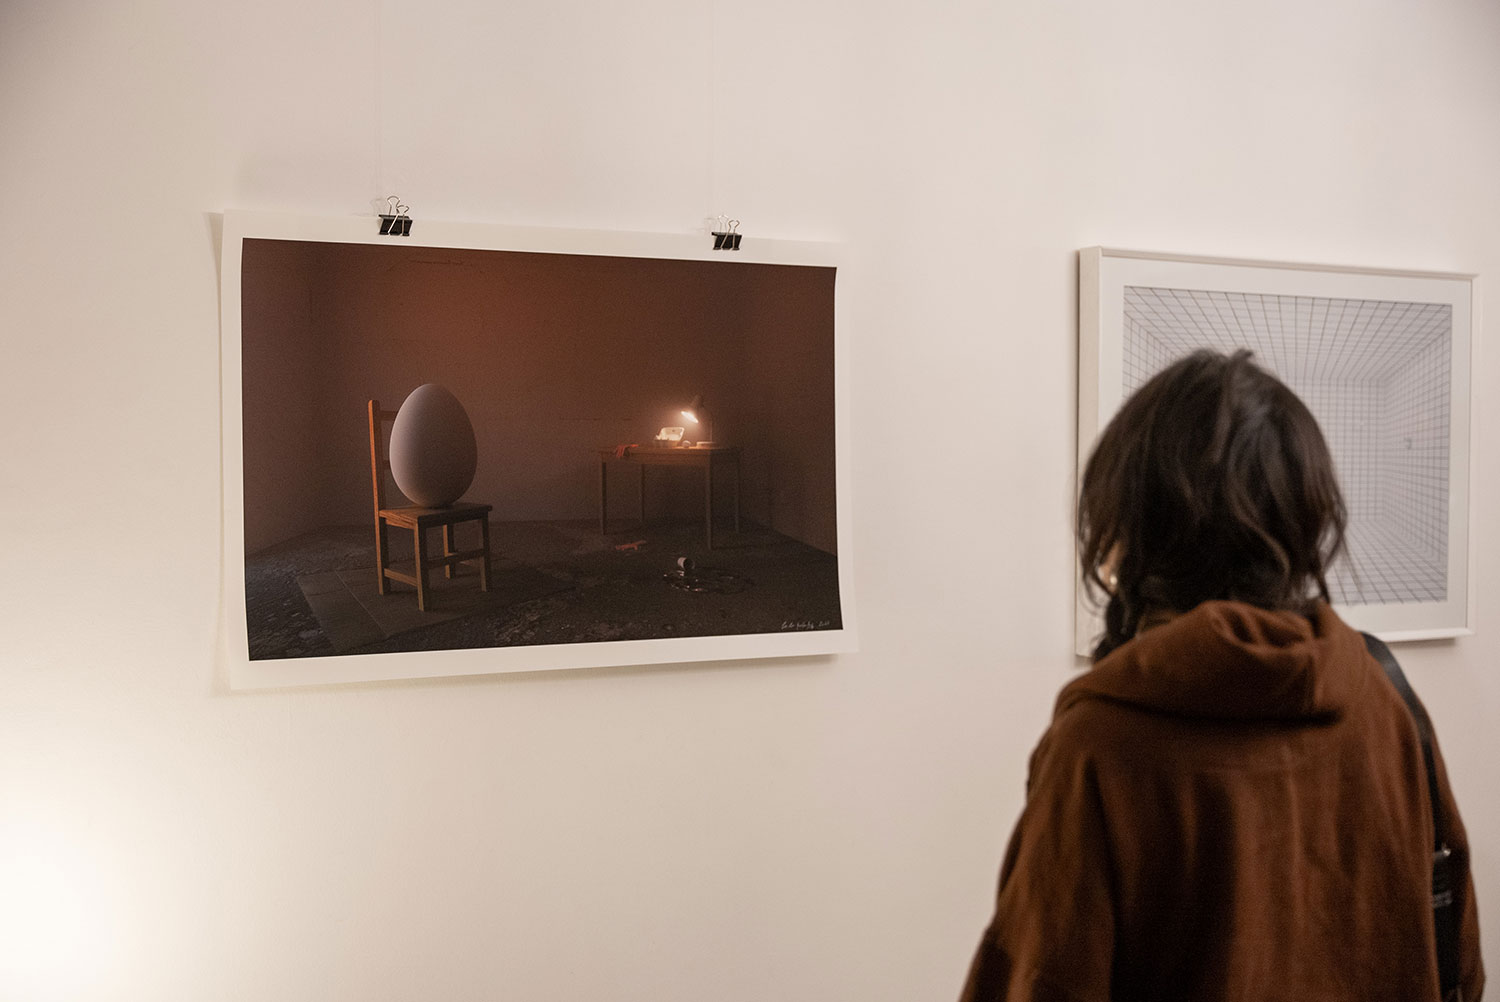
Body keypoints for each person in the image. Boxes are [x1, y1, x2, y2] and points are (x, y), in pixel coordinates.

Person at [959, 349, 1483, 1001]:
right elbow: (1457, 959)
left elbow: (1040, 980)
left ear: (1133, 525)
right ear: (1303, 517)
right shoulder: (1384, 696)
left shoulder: (1102, 746)